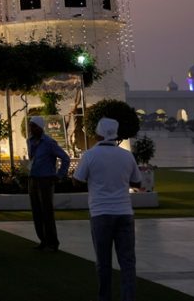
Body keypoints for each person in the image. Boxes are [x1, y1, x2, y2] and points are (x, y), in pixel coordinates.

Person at [74, 117, 142, 301]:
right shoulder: (126, 155)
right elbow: (137, 181)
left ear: (98, 134)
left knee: (103, 262)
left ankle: (105, 297)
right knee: (127, 261)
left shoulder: (90, 155)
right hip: (124, 212)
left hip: (100, 213)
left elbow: (77, 180)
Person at [26, 115, 70, 251]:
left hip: (46, 179)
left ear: (40, 127)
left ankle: (52, 242)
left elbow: (65, 158)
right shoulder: (30, 141)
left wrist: (59, 176)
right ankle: (43, 240)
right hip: (33, 178)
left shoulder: (49, 143)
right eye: (30, 126)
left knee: (47, 211)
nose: (31, 129)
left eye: (34, 126)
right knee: (36, 211)